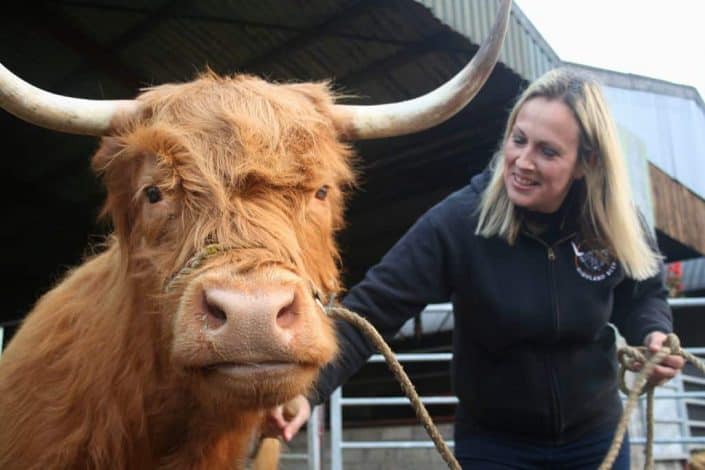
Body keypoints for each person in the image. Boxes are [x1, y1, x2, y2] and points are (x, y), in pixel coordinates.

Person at [265, 67, 685, 468]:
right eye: (518, 140)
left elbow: (643, 293)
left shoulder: (612, 223)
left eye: (548, 151)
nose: (522, 161)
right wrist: (307, 391)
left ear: (586, 163)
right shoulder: (459, 222)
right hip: (498, 447)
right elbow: (370, 312)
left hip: (596, 438)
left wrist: (653, 331)